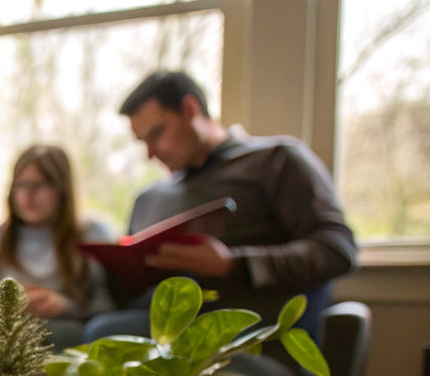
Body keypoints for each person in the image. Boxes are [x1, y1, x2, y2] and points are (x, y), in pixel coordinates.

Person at [83, 71, 358, 342]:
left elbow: (337, 249)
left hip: (252, 343)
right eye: (143, 142)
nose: (150, 153)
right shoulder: (149, 199)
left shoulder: (274, 161)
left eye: (156, 134)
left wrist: (233, 264)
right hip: (166, 335)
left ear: (190, 109)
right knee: (101, 334)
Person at [0, 144, 115, 358]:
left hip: (62, 324)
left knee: (62, 336)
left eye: (38, 186)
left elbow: (104, 301)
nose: (27, 196)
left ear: (62, 190)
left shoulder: (93, 233)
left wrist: (63, 306)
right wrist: (11, 304)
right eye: (20, 186)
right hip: (5, 319)